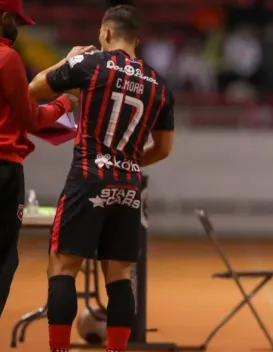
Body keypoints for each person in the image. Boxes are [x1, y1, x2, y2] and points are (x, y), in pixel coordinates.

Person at [28, 5, 174, 352]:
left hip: (88, 177)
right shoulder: (159, 84)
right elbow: (164, 148)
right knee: (119, 275)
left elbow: (33, 90)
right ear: (137, 38)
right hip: (129, 184)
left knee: (63, 267)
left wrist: (67, 61)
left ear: (106, 33)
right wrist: (128, 164)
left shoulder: (89, 64)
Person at [0, 0, 77, 317]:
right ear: (4, 16)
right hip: (4, 168)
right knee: (4, 258)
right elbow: (31, 117)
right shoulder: (8, 57)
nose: (16, 28)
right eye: (15, 21)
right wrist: (64, 104)